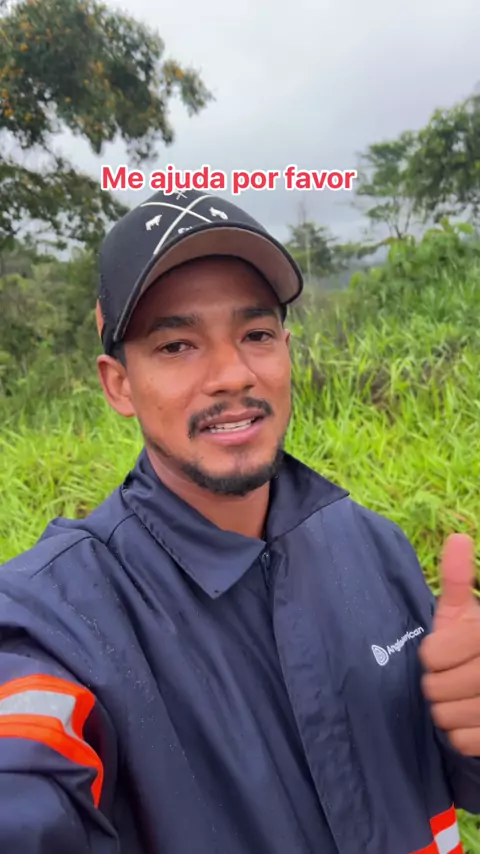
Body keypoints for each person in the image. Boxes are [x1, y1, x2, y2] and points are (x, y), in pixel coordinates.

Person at [0, 188, 479, 854]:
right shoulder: (57, 621)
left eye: (256, 335)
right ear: (119, 385)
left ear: (286, 349)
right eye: (176, 345)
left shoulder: (374, 546)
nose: (232, 374)